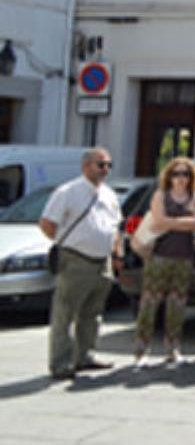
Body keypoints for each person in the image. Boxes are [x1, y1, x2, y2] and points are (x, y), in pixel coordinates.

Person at [38, 147, 123, 381]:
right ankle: (61, 362)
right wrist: (68, 244)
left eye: (108, 165)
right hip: (77, 259)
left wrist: (117, 254)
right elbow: (47, 223)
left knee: (93, 313)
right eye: (101, 164)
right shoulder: (67, 192)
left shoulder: (109, 194)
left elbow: (115, 227)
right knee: (65, 313)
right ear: (86, 166)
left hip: (102, 261)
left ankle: (85, 356)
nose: (105, 169)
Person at [133, 157, 195, 368]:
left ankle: (173, 348)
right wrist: (182, 223)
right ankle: (141, 350)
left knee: (178, 304)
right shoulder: (160, 195)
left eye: (185, 174)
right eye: (176, 173)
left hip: (185, 257)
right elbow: (159, 220)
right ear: (169, 176)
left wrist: (172, 223)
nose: (180, 178)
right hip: (160, 256)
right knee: (150, 303)